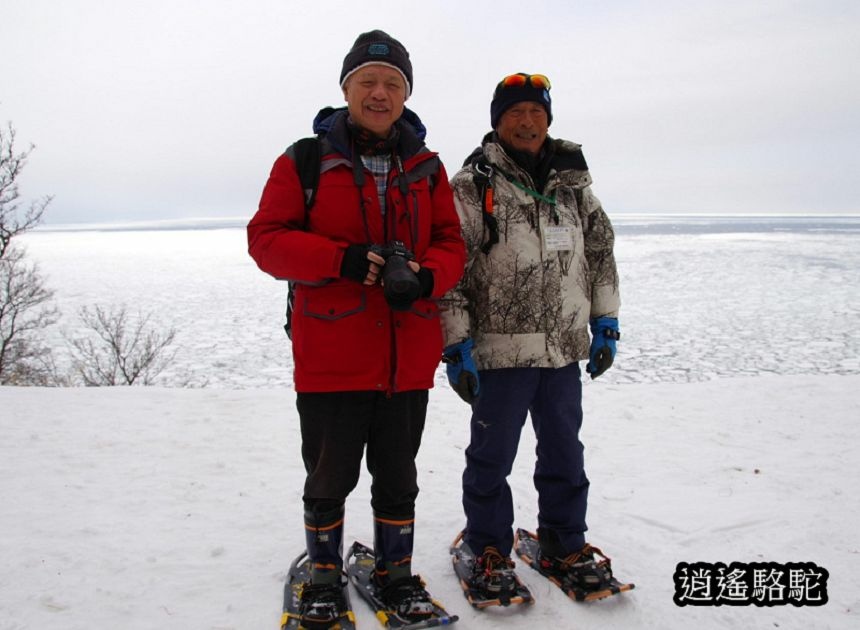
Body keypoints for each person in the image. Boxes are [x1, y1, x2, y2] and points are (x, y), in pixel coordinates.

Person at [247, 30, 466, 625]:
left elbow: (452, 242)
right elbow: (265, 241)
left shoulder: (425, 167)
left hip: (406, 357)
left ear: (405, 94)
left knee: (399, 476)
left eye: (392, 83)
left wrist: (426, 278)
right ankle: (323, 576)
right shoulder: (305, 160)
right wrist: (338, 259)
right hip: (332, 356)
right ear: (346, 89)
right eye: (367, 81)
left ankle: (396, 573)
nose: (379, 92)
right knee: (329, 476)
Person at [441, 72, 622, 598]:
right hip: (499, 353)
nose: (527, 121)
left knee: (566, 452)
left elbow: (599, 253)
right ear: (498, 121)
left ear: (548, 120)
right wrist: (457, 344)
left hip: (563, 349)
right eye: (515, 112)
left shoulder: (574, 186)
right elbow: (451, 268)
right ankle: (488, 547)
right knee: (491, 458)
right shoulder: (472, 186)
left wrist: (605, 320)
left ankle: (564, 543)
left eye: (536, 113)